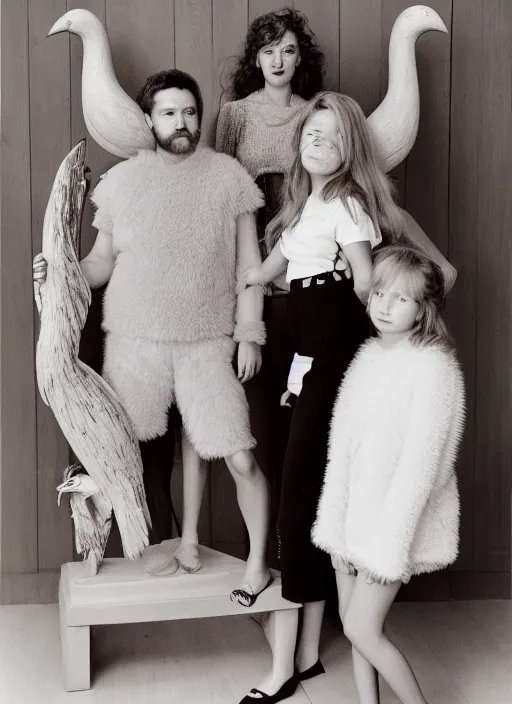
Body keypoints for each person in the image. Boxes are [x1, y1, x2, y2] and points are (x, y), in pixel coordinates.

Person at [33, 69, 272, 604]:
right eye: (169, 112)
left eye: (189, 111)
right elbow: (98, 263)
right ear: (149, 119)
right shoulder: (122, 182)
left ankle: (243, 558)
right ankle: (123, 552)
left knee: (234, 455)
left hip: (208, 338)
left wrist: (250, 332)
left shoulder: (228, 178)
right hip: (135, 340)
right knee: (119, 447)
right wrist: (59, 269)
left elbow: (251, 268)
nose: (181, 122)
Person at [237, 92, 406, 704]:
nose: (319, 142)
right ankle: (305, 651)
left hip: (331, 334)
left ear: (349, 149)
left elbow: (361, 279)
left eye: (333, 137)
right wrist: (252, 278)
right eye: (313, 131)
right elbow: (282, 261)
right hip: (296, 336)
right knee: (296, 478)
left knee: (301, 482)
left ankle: (287, 661)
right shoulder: (307, 205)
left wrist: (387, 332)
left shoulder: (351, 205)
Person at [312, 245, 465, 703]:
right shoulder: (368, 357)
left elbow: (423, 469)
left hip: (391, 527)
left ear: (423, 310)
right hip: (353, 517)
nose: (384, 305)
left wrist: (386, 547)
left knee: (362, 627)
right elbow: (342, 452)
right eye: (379, 292)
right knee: (353, 622)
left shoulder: (434, 369)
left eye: (400, 298)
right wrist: (336, 529)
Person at [216, 7, 326, 566]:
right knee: (256, 430)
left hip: (304, 271)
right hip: (251, 271)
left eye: (287, 49)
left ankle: (301, 570)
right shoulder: (234, 115)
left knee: (299, 429)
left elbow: (322, 194)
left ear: (300, 56)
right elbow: (222, 196)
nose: (278, 60)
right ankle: (266, 561)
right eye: (267, 50)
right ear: (254, 58)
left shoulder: (317, 114)